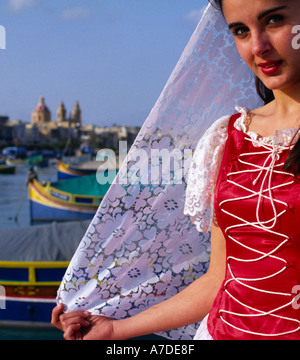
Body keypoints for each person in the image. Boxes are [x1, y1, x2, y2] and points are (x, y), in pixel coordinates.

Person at [52, 0, 300, 340]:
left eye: (274, 20)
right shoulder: (226, 138)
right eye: (241, 31)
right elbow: (220, 279)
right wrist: (114, 329)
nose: (258, 46)